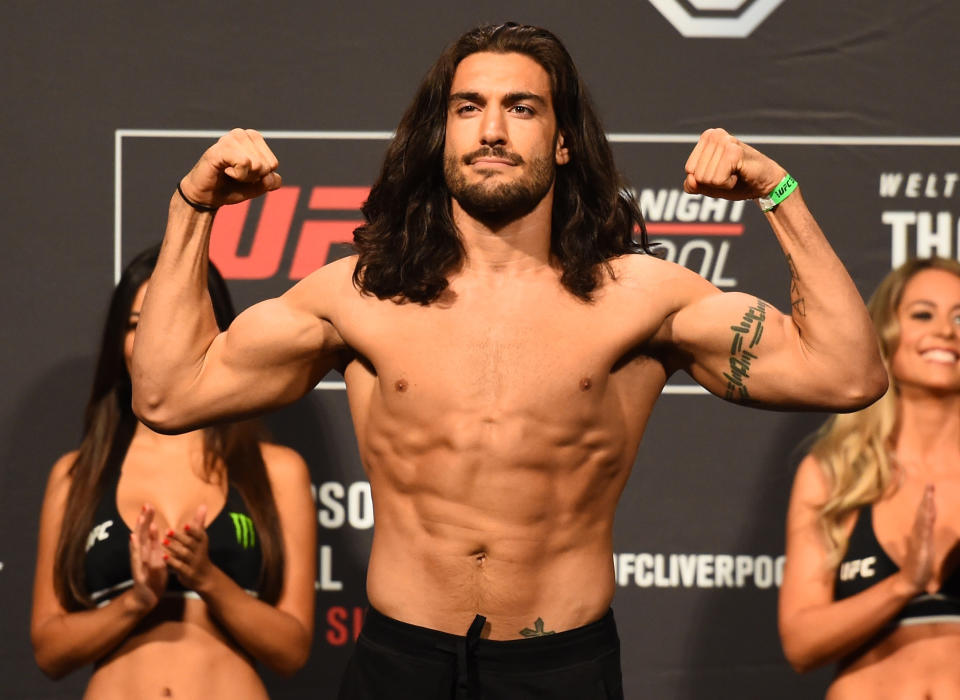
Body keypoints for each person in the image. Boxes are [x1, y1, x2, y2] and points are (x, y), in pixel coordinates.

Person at [131, 21, 886, 700]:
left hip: (561, 667)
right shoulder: (361, 294)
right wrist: (191, 207)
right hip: (401, 664)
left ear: (562, 140)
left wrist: (775, 190)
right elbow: (168, 393)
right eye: (468, 108)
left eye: (521, 108)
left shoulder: (643, 298)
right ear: (442, 136)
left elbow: (848, 374)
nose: (492, 130)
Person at [31, 246, 316, 699]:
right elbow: (49, 650)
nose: (153, 339)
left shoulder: (277, 471)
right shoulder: (76, 475)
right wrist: (136, 601)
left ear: (215, 331)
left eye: (174, 319)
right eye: (136, 324)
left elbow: (292, 650)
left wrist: (207, 579)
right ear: (117, 342)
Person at [779, 257, 960, 697]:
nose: (947, 331)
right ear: (884, 336)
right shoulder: (833, 472)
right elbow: (801, 644)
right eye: (923, 314)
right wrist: (903, 586)